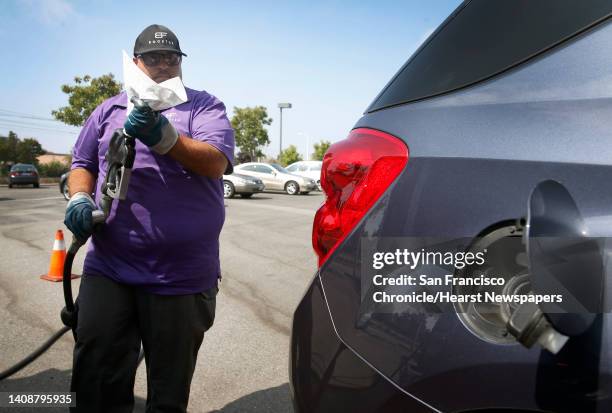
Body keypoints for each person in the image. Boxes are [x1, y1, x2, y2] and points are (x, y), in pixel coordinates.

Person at [64, 24, 235, 413]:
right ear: (135, 63)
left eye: (172, 57)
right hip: (110, 266)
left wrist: (165, 136)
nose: (164, 64)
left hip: (181, 275)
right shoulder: (108, 109)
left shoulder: (204, 106)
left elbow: (215, 162)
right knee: (96, 380)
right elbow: (83, 162)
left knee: (168, 391)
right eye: (153, 58)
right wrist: (77, 196)